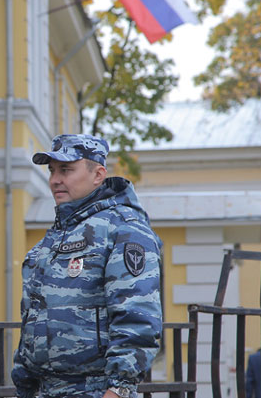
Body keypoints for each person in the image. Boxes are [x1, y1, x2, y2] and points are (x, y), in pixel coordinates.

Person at [11, 134, 163, 398]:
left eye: (67, 170)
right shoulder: (52, 241)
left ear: (98, 175)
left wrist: (119, 389)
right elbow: (32, 321)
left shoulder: (123, 229)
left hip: (95, 390)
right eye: (52, 170)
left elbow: (137, 318)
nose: (55, 179)